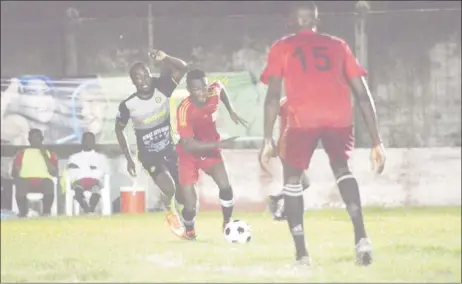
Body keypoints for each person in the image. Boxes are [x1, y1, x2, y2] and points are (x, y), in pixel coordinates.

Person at [259, 2, 386, 266]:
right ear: (318, 20)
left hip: (302, 119)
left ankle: (302, 255)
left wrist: (267, 139)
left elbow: (273, 96)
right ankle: (362, 239)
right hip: (338, 116)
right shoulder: (338, 45)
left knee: (292, 180)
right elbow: (362, 95)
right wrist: (377, 141)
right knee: (342, 169)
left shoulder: (282, 46)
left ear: (291, 22)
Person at [115, 49, 188, 235]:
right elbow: (118, 129)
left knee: (183, 194)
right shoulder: (128, 105)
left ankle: (178, 211)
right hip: (149, 156)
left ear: (150, 75)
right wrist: (129, 158)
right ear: (133, 82)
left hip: (170, 150)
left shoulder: (162, 89)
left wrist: (166, 58)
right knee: (169, 187)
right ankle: (169, 211)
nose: (144, 80)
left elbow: (183, 67)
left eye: (146, 75)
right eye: (138, 78)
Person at [176, 69, 247, 240]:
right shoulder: (184, 110)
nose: (202, 93)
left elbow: (220, 89)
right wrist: (219, 144)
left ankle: (227, 222)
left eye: (204, 87)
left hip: (210, 149)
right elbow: (189, 144)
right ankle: (189, 229)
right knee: (191, 206)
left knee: (226, 186)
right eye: (197, 89)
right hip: (189, 154)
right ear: (188, 89)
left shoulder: (213, 91)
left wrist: (231, 110)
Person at [266, 97, 310, 221]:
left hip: (292, 145)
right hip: (288, 145)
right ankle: (282, 211)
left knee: (303, 183)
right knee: (296, 182)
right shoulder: (290, 101)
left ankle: (278, 202)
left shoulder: (287, 101)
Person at [11, 129, 58, 217]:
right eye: (32, 138)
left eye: (37, 137)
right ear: (29, 140)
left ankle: (46, 213)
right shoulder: (22, 153)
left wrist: (44, 155)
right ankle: (23, 213)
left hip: (43, 180)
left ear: (42, 138)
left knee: (48, 183)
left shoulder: (50, 153)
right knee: (20, 183)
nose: (35, 140)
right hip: (26, 180)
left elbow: (54, 172)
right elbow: (16, 170)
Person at [67, 132, 110, 214]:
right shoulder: (74, 157)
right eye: (86, 140)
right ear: (82, 142)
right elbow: (72, 173)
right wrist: (91, 170)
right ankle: (86, 208)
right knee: (78, 189)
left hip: (95, 182)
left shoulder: (101, 157)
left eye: (91, 140)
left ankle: (91, 208)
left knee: (96, 189)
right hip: (79, 182)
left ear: (94, 142)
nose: (88, 142)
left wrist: (83, 170)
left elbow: (103, 172)